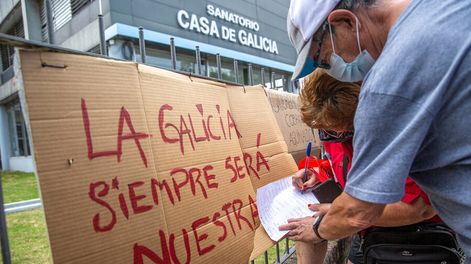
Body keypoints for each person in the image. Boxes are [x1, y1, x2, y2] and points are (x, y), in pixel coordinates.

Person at [281, 0, 471, 262]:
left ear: (344, 22)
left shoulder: (387, 84)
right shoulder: (445, 9)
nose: (336, 69)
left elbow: (358, 212)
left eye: (324, 59)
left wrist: (318, 229)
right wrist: (321, 171)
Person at [293, 69, 438, 264]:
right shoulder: (336, 127)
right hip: (366, 234)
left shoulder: (403, 128)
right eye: (325, 130)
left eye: (341, 131)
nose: (332, 136)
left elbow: (420, 208)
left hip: (418, 239)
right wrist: (319, 172)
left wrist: (333, 218)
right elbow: (342, 163)